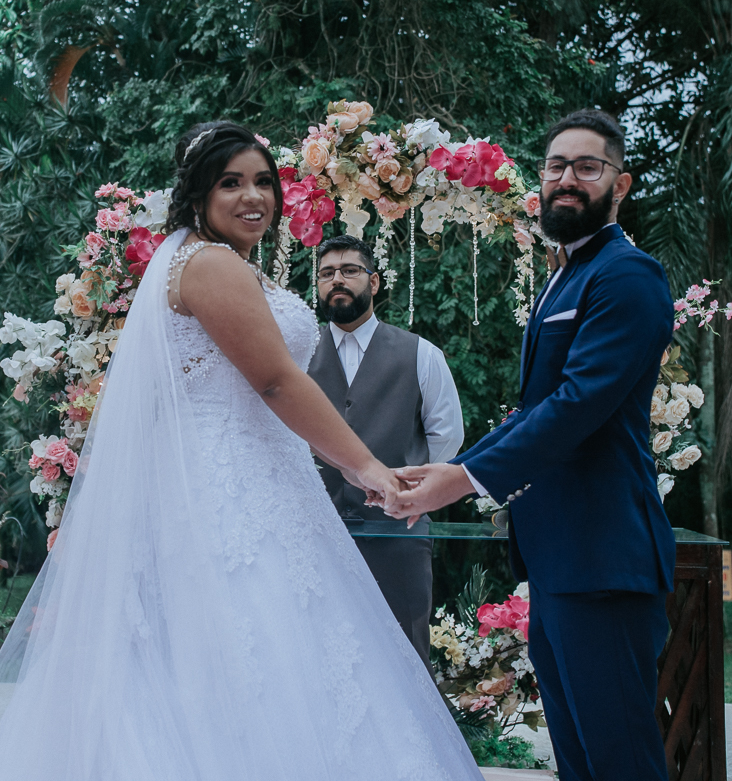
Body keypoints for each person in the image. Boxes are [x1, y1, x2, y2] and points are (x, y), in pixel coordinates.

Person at [0, 122, 483, 781]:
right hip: (226, 494)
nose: (253, 196)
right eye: (231, 183)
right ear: (199, 194)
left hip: (263, 479)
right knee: (261, 654)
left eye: (262, 182)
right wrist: (365, 465)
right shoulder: (209, 264)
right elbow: (277, 380)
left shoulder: (204, 261)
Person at [387, 109, 675, 781]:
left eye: (586, 166)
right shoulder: (565, 273)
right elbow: (540, 408)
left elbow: (577, 408)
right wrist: (455, 466)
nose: (567, 178)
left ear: (620, 184)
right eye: (555, 166)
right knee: (579, 764)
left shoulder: (627, 276)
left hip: (604, 560)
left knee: (621, 762)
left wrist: (459, 483)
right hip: (558, 561)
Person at [308, 234, 463, 669]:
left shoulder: (422, 355)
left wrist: (404, 486)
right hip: (313, 536)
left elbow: (446, 441)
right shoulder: (295, 357)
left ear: (374, 283)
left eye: (350, 271)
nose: (337, 280)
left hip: (398, 537)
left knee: (403, 660)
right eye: (326, 273)